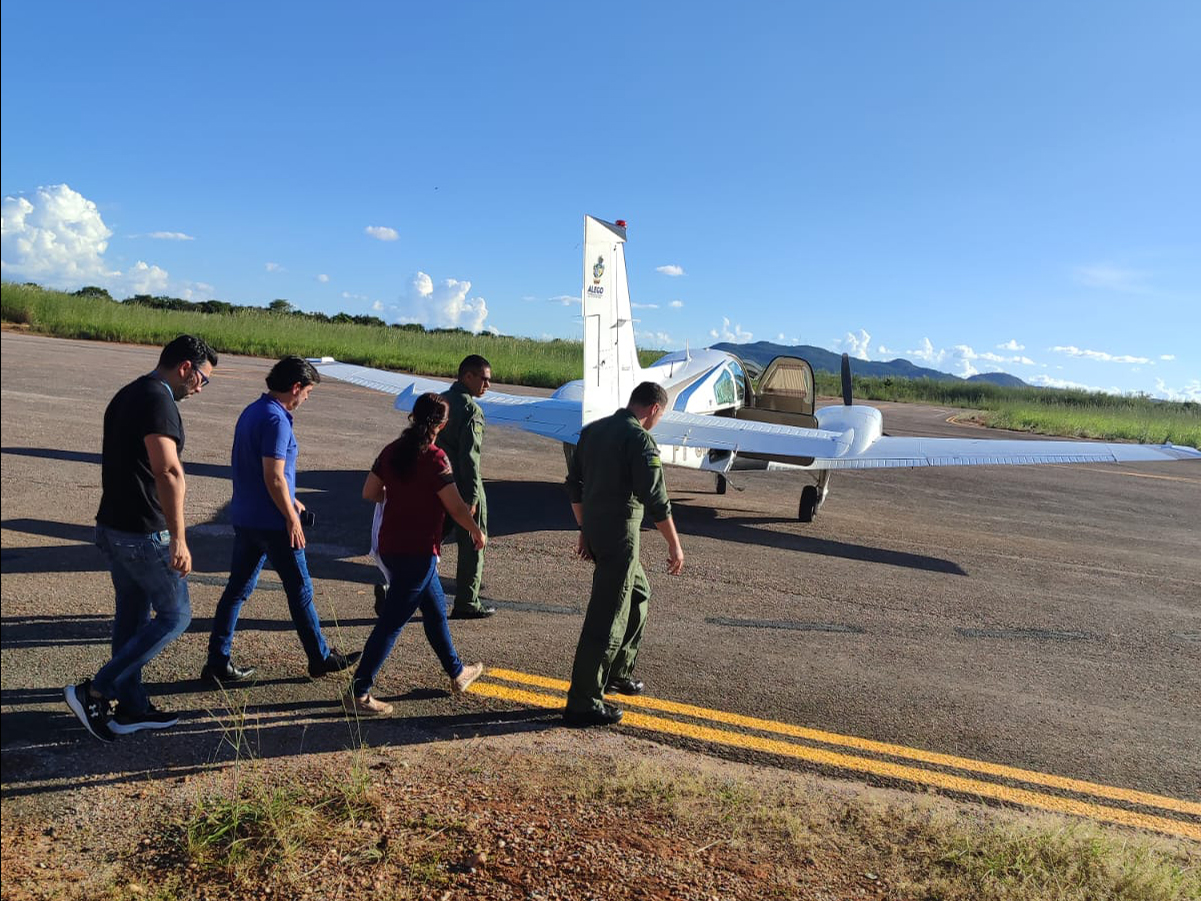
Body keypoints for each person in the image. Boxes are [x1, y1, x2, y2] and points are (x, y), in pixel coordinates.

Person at [65, 335, 218, 742]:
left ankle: (130, 707)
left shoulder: (130, 392)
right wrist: (179, 539)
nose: (201, 388)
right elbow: (167, 471)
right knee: (176, 616)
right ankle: (95, 689)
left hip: (112, 527)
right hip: (143, 532)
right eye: (203, 379)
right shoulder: (158, 400)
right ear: (185, 367)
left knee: (132, 617)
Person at [202, 356, 358, 683]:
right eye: (308, 392)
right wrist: (291, 516)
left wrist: (291, 497)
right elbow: (273, 477)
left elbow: (264, 473)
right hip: (272, 523)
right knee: (300, 590)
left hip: (246, 517)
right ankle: (319, 657)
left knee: (237, 590)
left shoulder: (252, 411)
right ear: (296, 387)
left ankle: (217, 660)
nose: (306, 399)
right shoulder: (277, 420)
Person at [345, 393, 486, 715]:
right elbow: (454, 506)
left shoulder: (392, 451)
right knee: (391, 624)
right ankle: (359, 692)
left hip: (391, 545)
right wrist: (475, 530)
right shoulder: (436, 458)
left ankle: (457, 671)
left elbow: (369, 493)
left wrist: (399, 493)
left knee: (436, 611)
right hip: (419, 552)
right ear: (443, 425)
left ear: (412, 417)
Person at [563, 381, 685, 727]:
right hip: (619, 535)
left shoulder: (593, 431)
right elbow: (656, 500)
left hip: (597, 530)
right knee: (608, 614)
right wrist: (675, 546)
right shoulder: (639, 439)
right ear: (655, 409)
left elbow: (575, 483)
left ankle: (618, 669)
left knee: (638, 592)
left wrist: (584, 529)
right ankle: (583, 701)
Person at [437, 354, 496, 619]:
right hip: (461, 484)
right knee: (473, 541)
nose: (487, 385)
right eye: (483, 379)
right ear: (467, 377)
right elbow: (469, 457)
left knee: (429, 540)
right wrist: (472, 497)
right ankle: (467, 601)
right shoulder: (471, 410)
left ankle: (393, 588)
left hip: (436, 482)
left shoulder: (440, 401)